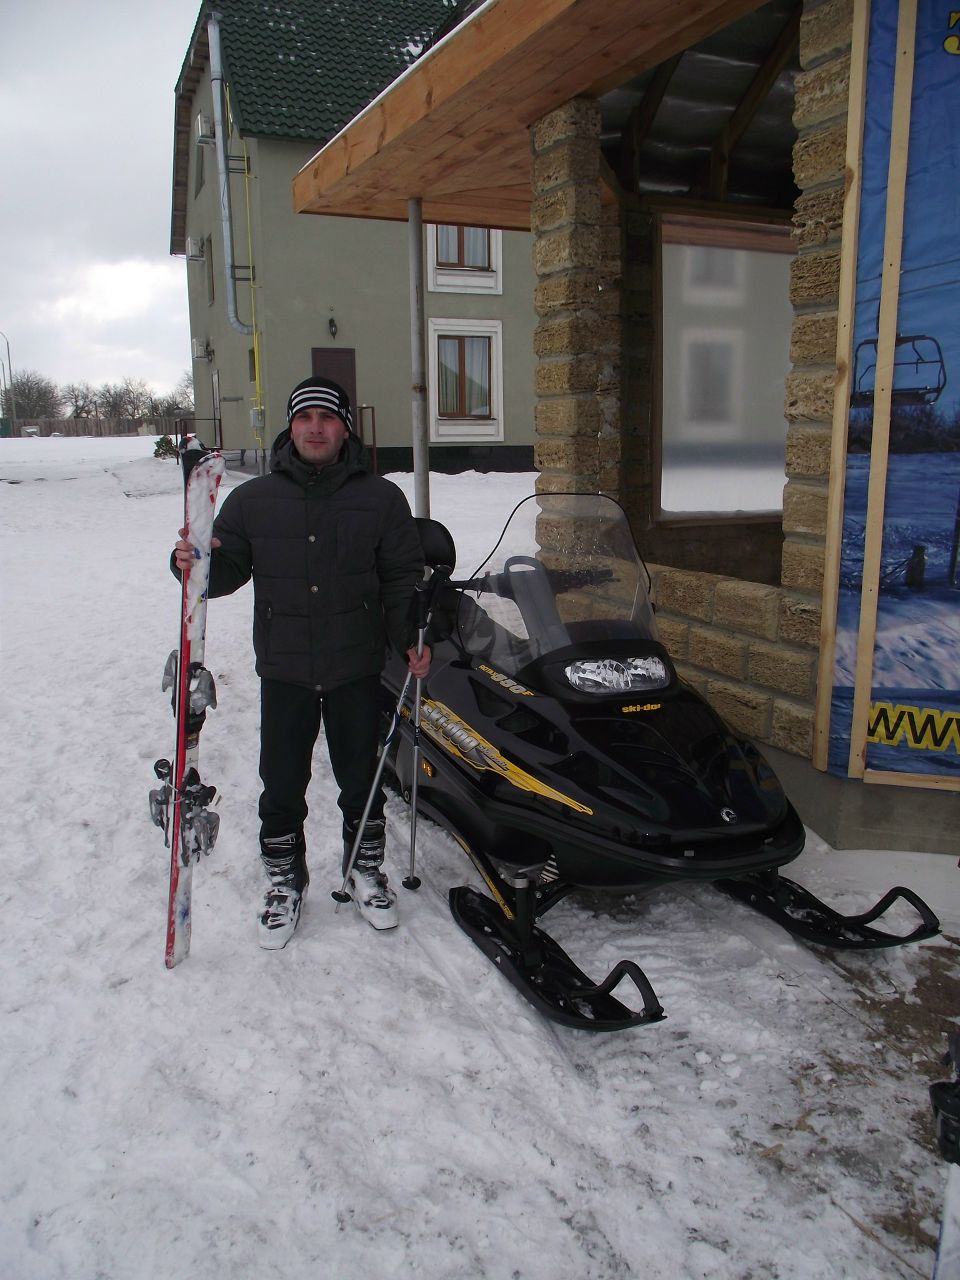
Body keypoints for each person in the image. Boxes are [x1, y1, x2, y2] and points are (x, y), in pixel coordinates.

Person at [173, 376, 430, 949]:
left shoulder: (380, 499)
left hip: (355, 665)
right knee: (282, 781)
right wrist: (192, 561)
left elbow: (400, 579)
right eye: (305, 417)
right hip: (285, 665)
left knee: (362, 777)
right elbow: (225, 571)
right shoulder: (254, 501)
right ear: (290, 427)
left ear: (345, 428)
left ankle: (364, 869)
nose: (316, 428)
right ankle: (285, 879)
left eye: (327, 418)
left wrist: (412, 637)